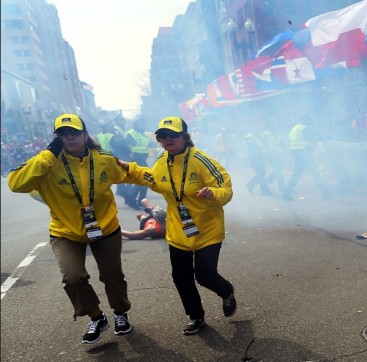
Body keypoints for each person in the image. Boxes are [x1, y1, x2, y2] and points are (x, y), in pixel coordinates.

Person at [8, 113, 134, 344]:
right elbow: (15, 183)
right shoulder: (47, 162)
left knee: (112, 276)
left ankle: (120, 314)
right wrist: (48, 154)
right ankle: (97, 317)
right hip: (65, 231)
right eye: (62, 134)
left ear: (85, 134)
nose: (69, 137)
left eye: (74, 132)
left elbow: (128, 173)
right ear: (57, 139)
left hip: (105, 228)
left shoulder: (104, 158)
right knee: (73, 278)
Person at [122, 116, 237, 335]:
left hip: (207, 229)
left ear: (185, 136)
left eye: (172, 135)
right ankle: (196, 316)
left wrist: (213, 193)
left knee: (204, 275)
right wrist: (129, 168)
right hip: (178, 230)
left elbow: (226, 189)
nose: (167, 140)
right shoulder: (162, 161)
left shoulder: (201, 160)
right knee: (181, 276)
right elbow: (152, 178)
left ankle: (226, 291)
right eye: (162, 136)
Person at [282, 120, 331, 201]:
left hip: (296, 153)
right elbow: (313, 137)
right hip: (304, 154)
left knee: (296, 176)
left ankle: (286, 195)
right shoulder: (303, 128)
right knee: (316, 174)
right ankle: (326, 193)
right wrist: (325, 137)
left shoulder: (294, 129)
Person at [126, 121, 152, 208]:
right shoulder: (131, 133)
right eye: (142, 124)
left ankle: (139, 201)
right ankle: (134, 201)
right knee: (144, 178)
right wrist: (129, 153)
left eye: (144, 124)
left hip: (142, 158)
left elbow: (148, 144)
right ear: (136, 124)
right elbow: (122, 144)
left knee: (143, 180)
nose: (144, 126)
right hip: (136, 158)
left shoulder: (143, 134)